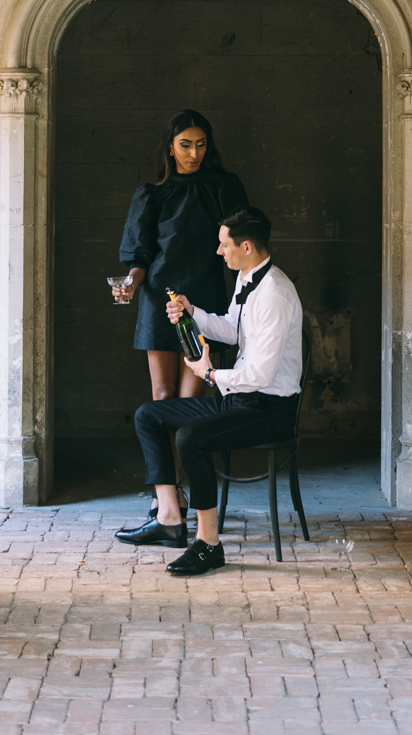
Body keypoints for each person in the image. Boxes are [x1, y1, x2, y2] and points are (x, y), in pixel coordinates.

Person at [116, 207, 303, 576]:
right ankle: (169, 517)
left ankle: (208, 544)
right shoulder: (248, 277)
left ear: (245, 246)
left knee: (191, 438)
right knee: (149, 415)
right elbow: (233, 329)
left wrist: (211, 373)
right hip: (241, 400)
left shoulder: (276, 294)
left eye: (223, 245)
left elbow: (262, 374)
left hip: (270, 411)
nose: (219, 252)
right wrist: (192, 312)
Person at [113, 110, 248, 518]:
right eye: (185, 144)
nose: (194, 153)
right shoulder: (150, 193)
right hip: (158, 300)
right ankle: (167, 495)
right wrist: (132, 282)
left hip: (204, 300)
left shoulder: (225, 186)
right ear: (170, 147)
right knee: (161, 398)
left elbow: (242, 243)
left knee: (192, 404)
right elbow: (139, 254)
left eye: (201, 144)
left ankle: (184, 489)